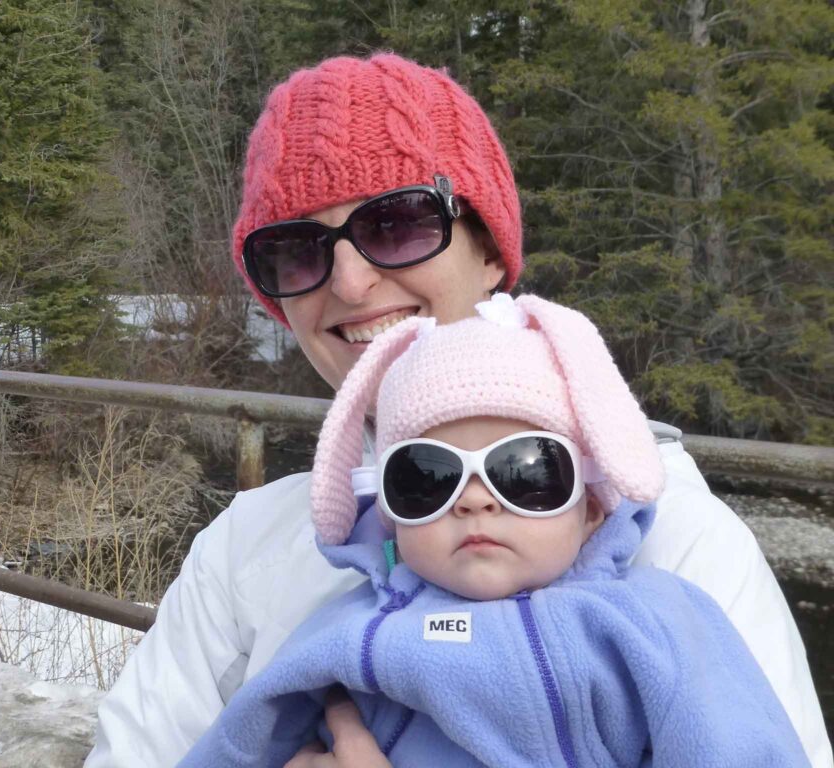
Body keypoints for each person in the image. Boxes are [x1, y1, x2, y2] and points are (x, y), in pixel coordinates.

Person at [85, 53, 832, 767]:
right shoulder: (245, 548)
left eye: (398, 222)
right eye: (296, 249)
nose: (348, 283)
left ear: (491, 252)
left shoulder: (674, 535)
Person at [174, 294, 811, 767]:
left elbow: (742, 746)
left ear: (592, 505)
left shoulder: (658, 623)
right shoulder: (353, 630)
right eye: (427, 477)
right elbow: (242, 739)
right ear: (389, 510)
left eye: (527, 472)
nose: (475, 501)